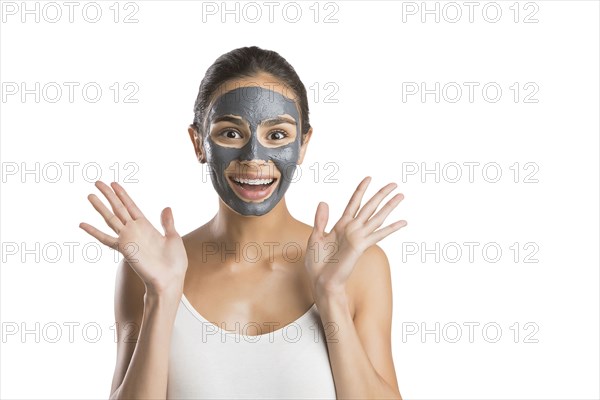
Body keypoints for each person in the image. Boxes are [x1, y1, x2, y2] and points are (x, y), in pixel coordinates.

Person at [79, 46, 407, 399]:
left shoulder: (359, 267)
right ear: (199, 142)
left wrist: (331, 296)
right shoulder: (148, 270)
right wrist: (161, 295)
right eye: (231, 133)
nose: (254, 158)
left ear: (303, 144)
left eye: (277, 135)